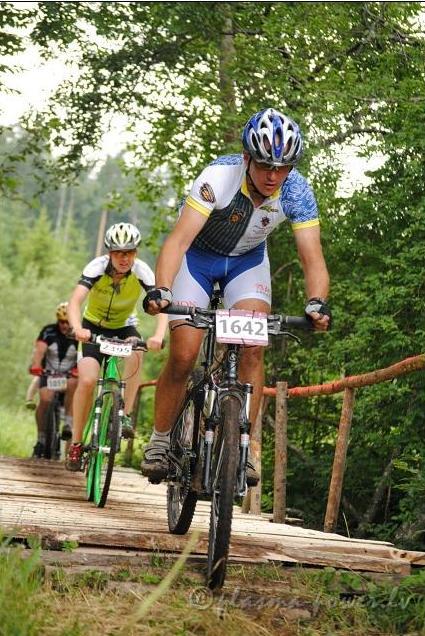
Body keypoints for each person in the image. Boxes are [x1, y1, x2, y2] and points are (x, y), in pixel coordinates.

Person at [141, 107, 331, 484]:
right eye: (265, 165)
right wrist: (161, 288)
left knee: (253, 347)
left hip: (246, 263)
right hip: (197, 260)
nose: (273, 175)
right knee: (184, 354)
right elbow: (178, 242)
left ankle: (244, 446)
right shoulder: (218, 178)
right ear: (246, 158)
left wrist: (317, 303)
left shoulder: (297, 191)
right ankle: (160, 440)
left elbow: (313, 259)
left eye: (283, 167)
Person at [66, 222, 168, 471]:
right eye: (119, 253)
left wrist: (158, 335)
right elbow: (74, 302)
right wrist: (77, 328)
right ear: (110, 253)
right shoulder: (96, 267)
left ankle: (125, 416)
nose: (124, 258)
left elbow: (160, 307)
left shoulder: (142, 271)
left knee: (137, 352)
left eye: (130, 252)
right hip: (92, 328)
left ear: (136, 252)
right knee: (87, 380)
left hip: (123, 327)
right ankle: (76, 444)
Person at [29, 302, 78, 458]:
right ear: (58, 320)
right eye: (62, 322)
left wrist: (79, 369)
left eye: (67, 322)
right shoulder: (48, 331)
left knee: (74, 383)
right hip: (49, 373)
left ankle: (68, 423)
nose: (65, 325)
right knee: (45, 400)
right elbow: (39, 350)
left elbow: (84, 355)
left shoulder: (78, 333)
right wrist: (36, 365)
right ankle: (41, 439)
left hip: (69, 375)